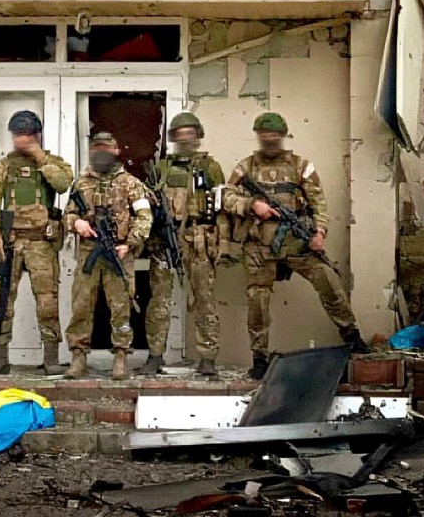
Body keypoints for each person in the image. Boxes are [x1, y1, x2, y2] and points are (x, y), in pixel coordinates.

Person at [224, 112, 370, 380]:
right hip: (259, 246)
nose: (268, 139)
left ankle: (352, 336)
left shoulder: (301, 166)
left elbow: (319, 204)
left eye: (273, 134)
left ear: (283, 135)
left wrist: (319, 232)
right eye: (263, 134)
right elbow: (226, 195)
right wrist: (250, 205)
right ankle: (259, 358)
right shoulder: (246, 167)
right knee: (258, 300)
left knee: (329, 280)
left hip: (296, 241)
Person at [0, 110, 73, 376]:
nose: (21, 141)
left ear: (37, 135)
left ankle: (51, 358)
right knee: (2, 301)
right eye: (17, 136)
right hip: (9, 242)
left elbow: (63, 184)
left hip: (40, 243)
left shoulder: (52, 162)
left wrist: (39, 156)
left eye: (26, 135)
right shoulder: (4, 165)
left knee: (47, 300)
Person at [64, 131, 153, 381]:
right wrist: (77, 223)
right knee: (81, 305)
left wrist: (131, 243)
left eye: (106, 148)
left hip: (119, 252)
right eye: (97, 148)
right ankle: (78, 357)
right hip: (89, 252)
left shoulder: (131, 183)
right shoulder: (81, 183)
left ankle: (121, 356)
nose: (101, 152)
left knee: (120, 306)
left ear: (116, 151)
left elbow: (145, 217)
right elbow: (67, 214)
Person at [143, 112, 226, 377]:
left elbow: (222, 206)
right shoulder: (162, 169)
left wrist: (221, 243)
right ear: (173, 137)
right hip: (165, 243)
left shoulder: (210, 167)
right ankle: (155, 356)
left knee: (205, 300)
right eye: (181, 133)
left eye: (191, 132)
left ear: (198, 134)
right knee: (159, 301)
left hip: (199, 239)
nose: (186, 137)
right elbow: (145, 203)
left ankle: (208, 358)